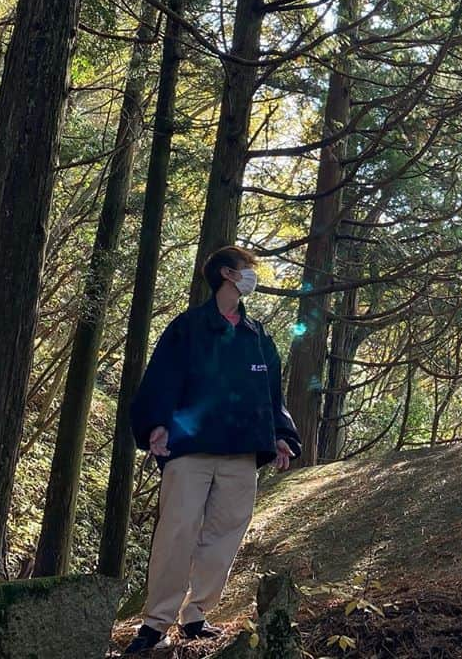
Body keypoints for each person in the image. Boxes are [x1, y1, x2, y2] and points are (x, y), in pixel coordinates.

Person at [124, 245, 301, 653]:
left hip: (241, 455)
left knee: (224, 537)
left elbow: (272, 395)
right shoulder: (187, 328)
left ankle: (196, 616)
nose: (252, 277)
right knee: (176, 534)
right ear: (226, 274)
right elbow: (161, 380)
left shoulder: (258, 336)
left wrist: (280, 435)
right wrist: (155, 425)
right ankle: (155, 623)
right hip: (191, 451)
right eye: (246, 270)